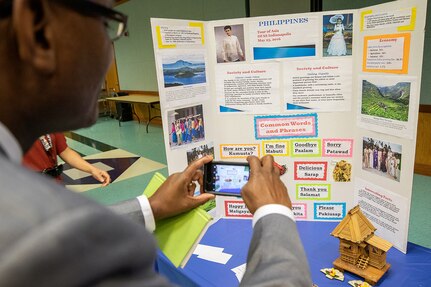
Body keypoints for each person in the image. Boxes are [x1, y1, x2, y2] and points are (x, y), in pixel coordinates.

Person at [0, 1, 312, 286]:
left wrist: (150, 208)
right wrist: (274, 213)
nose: (110, 51)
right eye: (106, 24)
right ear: (37, 30)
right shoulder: (39, 241)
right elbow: (60, 240)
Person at [23, 133, 111, 185]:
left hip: (54, 185)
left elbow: (65, 151)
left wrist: (92, 169)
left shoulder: (49, 119)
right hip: (29, 187)